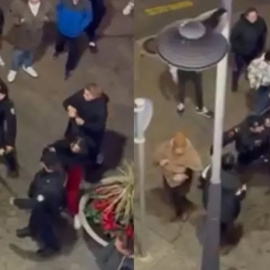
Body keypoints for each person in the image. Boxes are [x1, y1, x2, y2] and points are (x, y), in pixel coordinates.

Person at [11, 150, 66, 256]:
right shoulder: (53, 172)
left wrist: (16, 202)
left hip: (47, 209)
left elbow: (34, 202)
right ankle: (32, 229)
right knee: (34, 217)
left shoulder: (51, 187)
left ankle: (52, 246)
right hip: (41, 204)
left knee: (46, 228)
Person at [200, 154, 246, 249]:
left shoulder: (211, 170)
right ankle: (220, 242)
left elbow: (202, 178)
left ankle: (213, 236)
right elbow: (240, 196)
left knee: (213, 220)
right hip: (226, 211)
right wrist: (244, 189)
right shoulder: (236, 181)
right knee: (223, 227)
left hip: (210, 203)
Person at [154, 132, 203, 221]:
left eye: (181, 150)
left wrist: (184, 175)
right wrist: (160, 162)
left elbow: (197, 167)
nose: (179, 152)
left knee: (179, 196)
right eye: (177, 149)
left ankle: (182, 212)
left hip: (183, 181)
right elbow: (156, 158)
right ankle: (180, 206)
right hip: (168, 178)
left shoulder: (190, 152)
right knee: (171, 194)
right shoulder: (165, 147)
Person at [44, 136, 89, 229]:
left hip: (73, 170)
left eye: (78, 148)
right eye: (74, 145)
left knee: (71, 193)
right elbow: (50, 148)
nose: (74, 148)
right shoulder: (63, 144)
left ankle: (76, 213)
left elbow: (72, 162)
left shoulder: (81, 157)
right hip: (61, 168)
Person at [63, 83, 108, 166]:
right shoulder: (82, 94)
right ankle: (68, 153)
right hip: (75, 125)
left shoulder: (101, 109)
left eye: (87, 95)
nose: (83, 96)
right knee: (69, 137)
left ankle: (95, 159)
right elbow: (67, 102)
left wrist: (84, 123)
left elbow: (98, 126)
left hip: (91, 132)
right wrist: (70, 108)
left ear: (95, 97)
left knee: (92, 147)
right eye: (84, 93)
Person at [7, 0, 53, 83]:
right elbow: (13, 16)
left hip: (36, 36)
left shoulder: (47, 4)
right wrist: (20, 20)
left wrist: (47, 18)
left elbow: (53, 15)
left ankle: (27, 66)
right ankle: (14, 69)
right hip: (22, 35)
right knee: (17, 54)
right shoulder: (18, 3)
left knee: (31, 53)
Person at [231, 7, 267, 92]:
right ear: (247, 16)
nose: (253, 18)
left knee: (250, 66)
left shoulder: (261, 22)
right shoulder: (239, 26)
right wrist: (238, 49)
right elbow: (233, 38)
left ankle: (248, 75)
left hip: (254, 51)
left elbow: (264, 33)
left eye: (255, 16)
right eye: (251, 16)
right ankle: (234, 83)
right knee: (237, 68)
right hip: (241, 53)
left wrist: (260, 47)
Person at [55, 0, 93, 80]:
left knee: (73, 53)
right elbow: (58, 8)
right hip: (62, 29)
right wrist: (60, 20)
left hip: (75, 33)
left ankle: (69, 69)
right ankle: (58, 51)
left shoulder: (86, 3)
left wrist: (80, 27)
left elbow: (88, 17)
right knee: (59, 43)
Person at [0, 80, 18, 178]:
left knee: (7, 151)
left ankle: (12, 167)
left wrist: (9, 143)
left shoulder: (7, 105)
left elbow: (11, 124)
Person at [247, 51, 270, 115]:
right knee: (258, 103)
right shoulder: (256, 63)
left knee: (262, 104)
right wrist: (253, 83)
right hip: (259, 85)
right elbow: (251, 73)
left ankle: (256, 115)